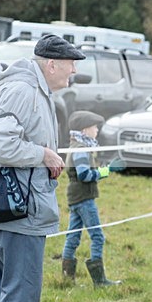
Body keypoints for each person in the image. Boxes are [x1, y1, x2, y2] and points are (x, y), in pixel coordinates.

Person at [0, 34, 85, 302]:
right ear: (52, 64)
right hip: (20, 210)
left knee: (6, 291)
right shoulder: (25, 90)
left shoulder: (28, 88)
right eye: (71, 64)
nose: (73, 71)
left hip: (15, 208)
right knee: (22, 295)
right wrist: (43, 155)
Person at [61, 111, 121, 288]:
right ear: (85, 129)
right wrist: (106, 171)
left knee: (73, 237)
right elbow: (84, 174)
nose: (97, 130)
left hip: (76, 197)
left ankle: (66, 279)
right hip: (84, 198)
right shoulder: (81, 150)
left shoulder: (77, 146)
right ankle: (99, 281)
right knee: (97, 237)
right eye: (95, 127)